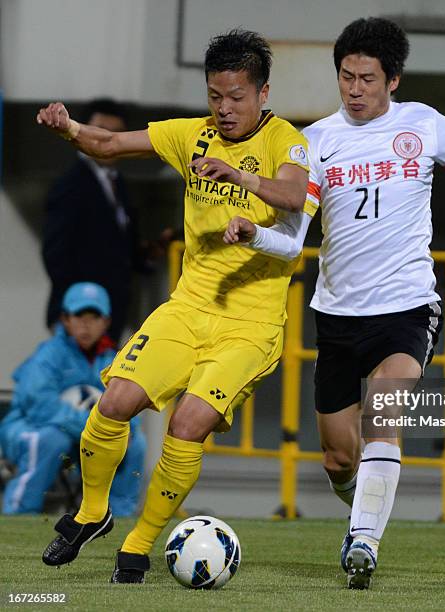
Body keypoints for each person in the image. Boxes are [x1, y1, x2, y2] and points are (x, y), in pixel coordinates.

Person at [223, 17, 445, 589]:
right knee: (338, 460)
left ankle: (363, 544)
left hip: (406, 306)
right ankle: (361, 508)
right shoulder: (314, 142)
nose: (354, 89)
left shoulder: (425, 126)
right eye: (346, 77)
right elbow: (294, 242)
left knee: (386, 405)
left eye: (367, 78)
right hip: (338, 314)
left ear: (393, 80)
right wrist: (255, 236)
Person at [36, 29, 310, 583]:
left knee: (187, 424)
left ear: (262, 92)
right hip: (186, 307)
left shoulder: (289, 140)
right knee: (114, 401)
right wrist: (69, 130)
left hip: (249, 325)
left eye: (236, 96)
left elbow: (295, 196)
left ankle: (138, 545)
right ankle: (93, 512)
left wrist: (238, 176)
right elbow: (110, 146)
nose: (224, 108)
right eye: (215, 95)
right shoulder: (192, 134)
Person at [0, 282, 145, 516]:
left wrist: (126, 430)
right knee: (50, 439)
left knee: (135, 443)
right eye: (79, 316)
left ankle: (119, 518)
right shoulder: (49, 355)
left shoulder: (114, 360)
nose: (86, 324)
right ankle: (19, 513)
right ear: (66, 320)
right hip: (28, 428)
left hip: (80, 437)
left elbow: (131, 403)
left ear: (106, 322)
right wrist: (92, 427)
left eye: (94, 316)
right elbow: (40, 406)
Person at [42, 98, 166, 342]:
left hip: (110, 313)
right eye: (99, 131)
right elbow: (55, 255)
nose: (106, 139)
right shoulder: (70, 186)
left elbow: (116, 247)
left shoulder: (116, 182)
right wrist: (79, 311)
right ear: (83, 133)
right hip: (81, 316)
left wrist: (147, 254)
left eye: (116, 133)